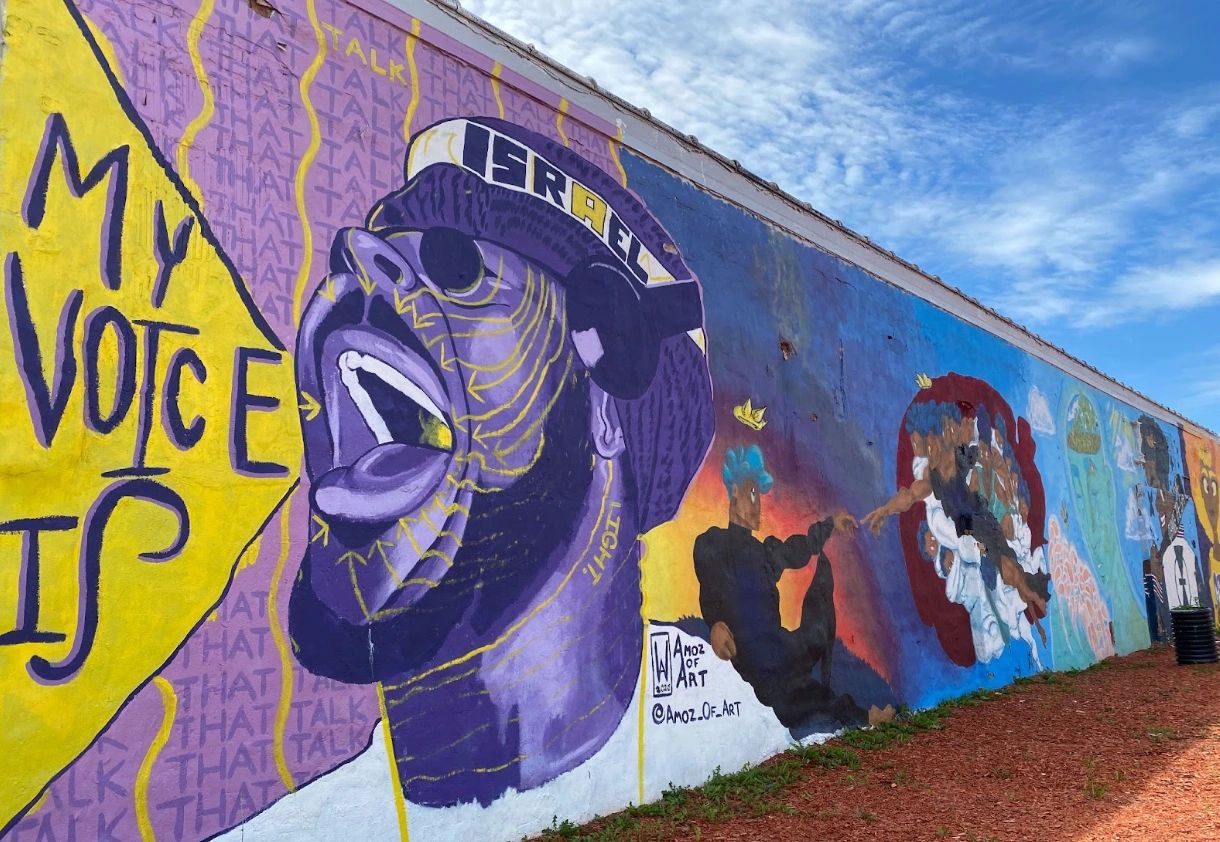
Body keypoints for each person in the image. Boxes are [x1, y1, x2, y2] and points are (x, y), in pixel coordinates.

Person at [288, 117, 714, 807]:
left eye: (458, 267)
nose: (359, 254)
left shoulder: (748, 721)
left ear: (605, 402)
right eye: (376, 249)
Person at [693, 444, 865, 728]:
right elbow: (710, 584)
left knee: (815, 629)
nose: (756, 504)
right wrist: (715, 623)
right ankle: (860, 716)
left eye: (759, 496)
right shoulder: (713, 543)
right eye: (750, 493)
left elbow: (797, 549)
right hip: (757, 661)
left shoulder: (764, 554)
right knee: (795, 699)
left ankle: (856, 713)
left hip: (782, 648)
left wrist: (830, 524)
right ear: (733, 491)